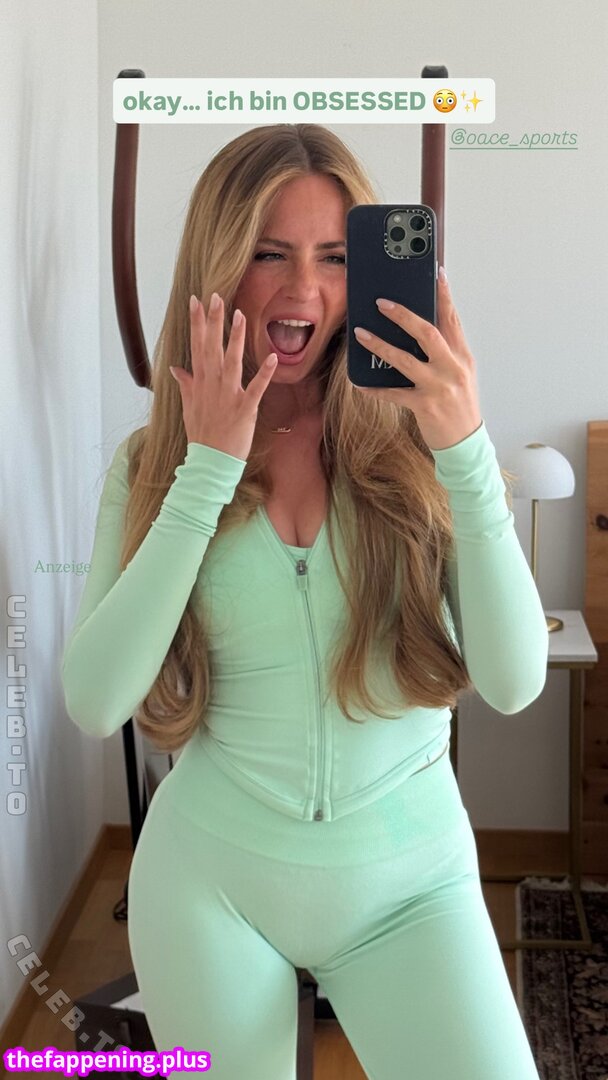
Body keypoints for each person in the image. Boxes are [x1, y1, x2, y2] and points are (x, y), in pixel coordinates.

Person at [61, 124, 548, 1080]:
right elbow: (95, 700)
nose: (303, 290)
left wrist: (466, 449)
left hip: (413, 886)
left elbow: (515, 679)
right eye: (268, 253)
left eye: (334, 257)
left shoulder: (422, 448)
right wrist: (206, 472)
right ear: (217, 262)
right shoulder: (153, 464)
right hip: (211, 886)